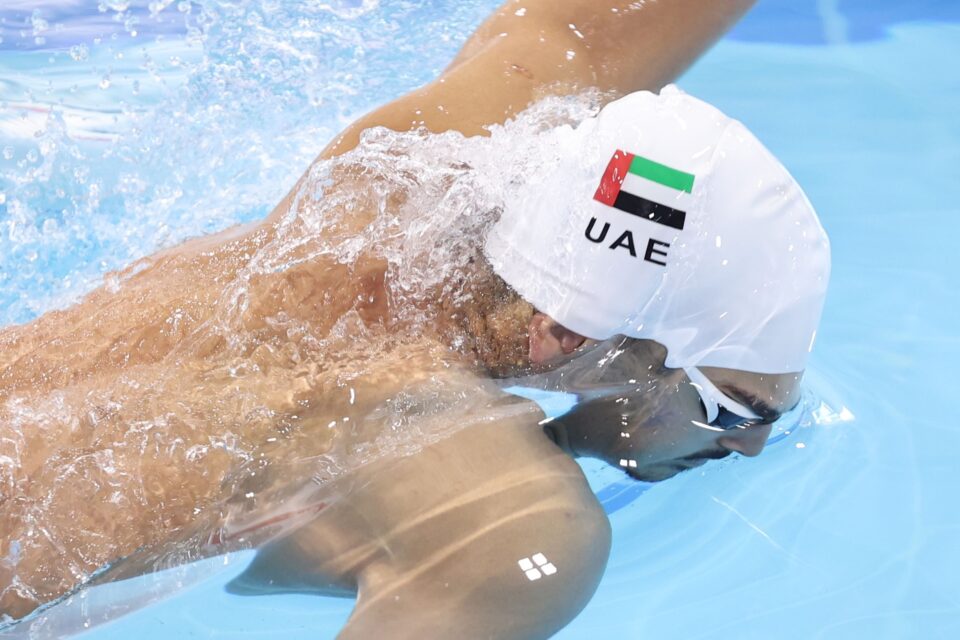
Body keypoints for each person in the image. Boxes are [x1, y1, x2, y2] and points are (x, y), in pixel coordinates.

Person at [0, 0, 829, 637]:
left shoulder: (394, 184)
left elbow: (573, 29)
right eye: (729, 407)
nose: (751, 443)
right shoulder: (505, 512)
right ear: (562, 338)